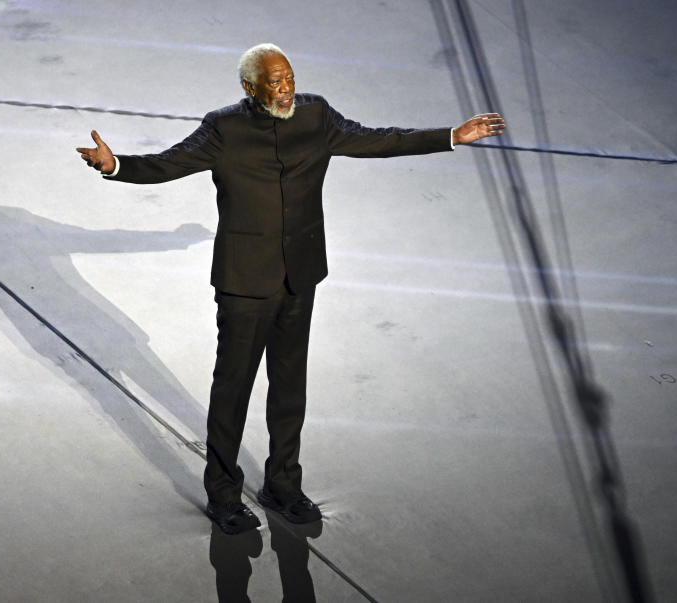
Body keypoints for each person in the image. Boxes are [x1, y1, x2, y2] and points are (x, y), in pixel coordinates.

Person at [76, 43, 505, 535]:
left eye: (289, 78)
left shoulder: (316, 116)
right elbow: (169, 164)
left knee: (288, 388)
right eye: (274, 82)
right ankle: (222, 495)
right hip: (244, 284)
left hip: (299, 276)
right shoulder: (224, 128)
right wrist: (116, 166)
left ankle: (283, 484)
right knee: (232, 390)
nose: (286, 89)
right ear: (249, 88)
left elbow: (377, 140)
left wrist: (450, 135)